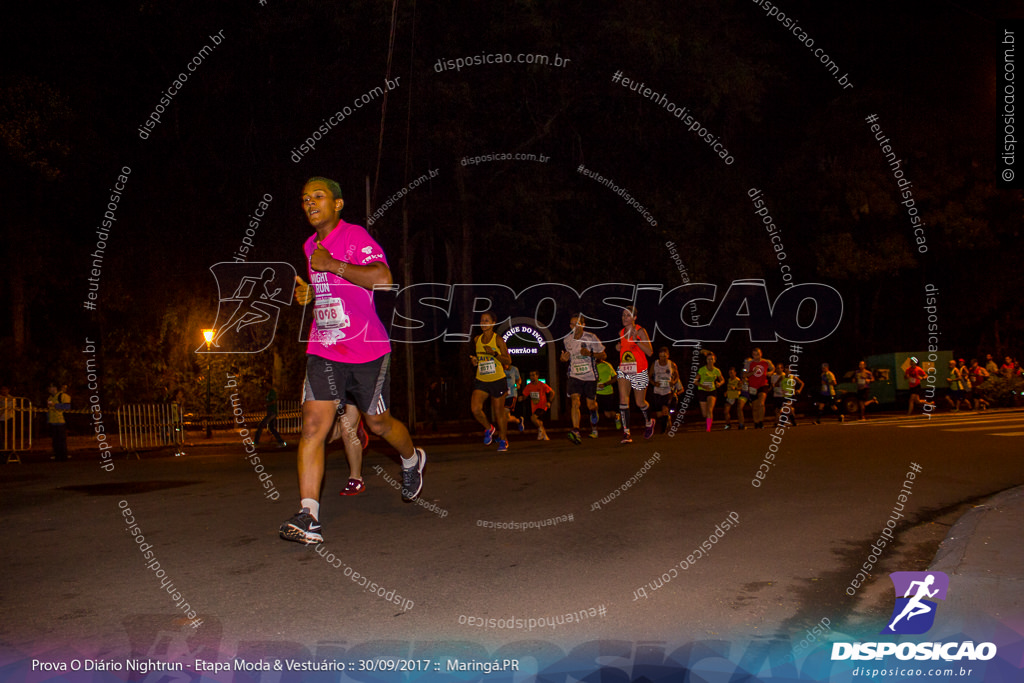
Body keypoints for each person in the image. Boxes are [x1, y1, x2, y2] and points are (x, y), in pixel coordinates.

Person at [280, 177, 426, 546]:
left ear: (338, 203)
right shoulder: (309, 245)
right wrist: (310, 293)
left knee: (377, 424)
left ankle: (411, 459)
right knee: (313, 427)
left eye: (318, 197)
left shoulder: (355, 236)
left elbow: (383, 279)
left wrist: (333, 264)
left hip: (367, 350)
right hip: (324, 347)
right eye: (304, 199)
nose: (310, 203)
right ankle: (308, 515)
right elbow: (332, 289)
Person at [470, 311, 512, 452]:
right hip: (482, 379)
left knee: (498, 412)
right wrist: (475, 361)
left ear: (493, 323)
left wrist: (494, 353)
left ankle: (503, 439)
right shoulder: (477, 339)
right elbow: (478, 358)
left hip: (497, 379)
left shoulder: (498, 340)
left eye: (487, 320)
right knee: (475, 409)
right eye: (482, 320)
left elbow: (508, 361)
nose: (483, 323)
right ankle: (489, 428)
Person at [561, 314, 606, 444]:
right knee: (575, 401)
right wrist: (563, 359)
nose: (574, 326)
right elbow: (566, 357)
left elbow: (603, 354)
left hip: (590, 376)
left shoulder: (591, 338)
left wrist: (590, 354)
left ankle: (594, 411)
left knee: (590, 404)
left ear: (583, 325)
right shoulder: (567, 340)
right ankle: (576, 430)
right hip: (574, 375)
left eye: (577, 323)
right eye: (572, 324)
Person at [616, 306, 654, 443]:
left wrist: (636, 340)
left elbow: (650, 352)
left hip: (639, 370)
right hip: (625, 369)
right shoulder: (621, 332)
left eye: (628, 315)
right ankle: (626, 433)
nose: (625, 318)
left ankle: (649, 421)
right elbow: (625, 348)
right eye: (623, 315)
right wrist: (618, 347)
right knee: (623, 399)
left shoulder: (640, 331)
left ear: (634, 318)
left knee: (640, 402)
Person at [649, 346, 680, 435]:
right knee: (659, 414)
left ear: (668, 356)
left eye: (664, 356)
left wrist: (673, 382)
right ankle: (667, 419)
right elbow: (649, 376)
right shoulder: (655, 364)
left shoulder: (672, 364)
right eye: (661, 356)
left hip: (667, 391)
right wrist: (654, 383)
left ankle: (663, 431)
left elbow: (677, 376)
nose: (662, 359)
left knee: (665, 410)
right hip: (657, 391)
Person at [744, 348, 775, 429]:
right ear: (752, 355)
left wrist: (770, 373)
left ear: (761, 354)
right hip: (753, 386)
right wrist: (752, 372)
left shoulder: (766, 362)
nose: (756, 356)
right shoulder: (749, 363)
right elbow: (745, 374)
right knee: (754, 407)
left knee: (761, 403)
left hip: (763, 385)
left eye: (757, 354)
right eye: (754, 354)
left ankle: (761, 422)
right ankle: (756, 422)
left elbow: (773, 368)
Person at [694, 351, 724, 432]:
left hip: (712, 391)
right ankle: (708, 423)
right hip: (702, 391)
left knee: (710, 409)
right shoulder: (702, 370)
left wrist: (719, 384)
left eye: (712, 359)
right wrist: (703, 386)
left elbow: (722, 380)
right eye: (708, 359)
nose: (710, 361)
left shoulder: (717, 370)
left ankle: (708, 428)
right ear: (706, 360)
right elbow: (695, 381)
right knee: (704, 414)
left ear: (714, 360)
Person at [522, 370, 554, 440]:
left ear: (537, 376)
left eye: (533, 375)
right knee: (538, 421)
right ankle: (544, 435)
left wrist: (549, 401)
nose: (531, 377)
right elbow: (524, 396)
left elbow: (552, 392)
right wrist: (520, 398)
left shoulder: (542, 385)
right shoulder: (528, 386)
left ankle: (540, 430)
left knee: (533, 418)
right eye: (530, 375)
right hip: (534, 407)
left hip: (542, 406)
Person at [255, 380, 287, 448]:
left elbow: (273, 401)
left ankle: (256, 443)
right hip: (271, 412)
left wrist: (266, 405)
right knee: (271, 428)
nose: (265, 385)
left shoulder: (272, 392)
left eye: (266, 383)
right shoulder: (268, 392)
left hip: (272, 412)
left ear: (270, 384)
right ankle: (281, 442)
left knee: (260, 425)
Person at [47, 382, 71, 461]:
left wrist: (55, 405)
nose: (50, 389)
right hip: (52, 421)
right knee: (55, 440)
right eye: (49, 388)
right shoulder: (50, 398)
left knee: (61, 439)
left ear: (55, 388)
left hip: (61, 421)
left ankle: (63, 456)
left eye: (51, 387)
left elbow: (67, 406)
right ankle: (57, 455)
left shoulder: (63, 396)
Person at [595, 358, 619, 435]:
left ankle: (616, 416)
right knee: (593, 410)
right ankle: (594, 430)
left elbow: (615, 377)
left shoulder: (607, 365)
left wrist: (605, 384)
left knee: (608, 415)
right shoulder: (590, 365)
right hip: (595, 393)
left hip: (607, 392)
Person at [503, 364, 524, 434]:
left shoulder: (514, 369)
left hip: (511, 394)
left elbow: (519, 379)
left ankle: (502, 436)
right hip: (502, 395)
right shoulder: (499, 369)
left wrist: (518, 384)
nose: (504, 366)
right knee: (506, 417)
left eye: (505, 364)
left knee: (504, 414)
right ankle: (518, 420)